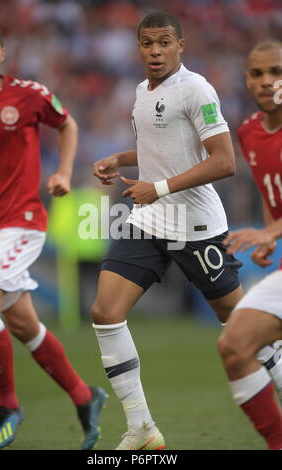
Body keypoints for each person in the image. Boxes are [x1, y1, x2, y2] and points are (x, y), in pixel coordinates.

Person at [92, 11, 282, 450]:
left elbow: (224, 162)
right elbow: (158, 150)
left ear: (181, 45)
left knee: (239, 329)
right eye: (146, 43)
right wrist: (119, 161)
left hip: (195, 225)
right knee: (105, 312)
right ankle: (141, 428)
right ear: (138, 48)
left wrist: (156, 188)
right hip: (148, 220)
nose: (154, 51)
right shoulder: (141, 91)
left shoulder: (196, 89)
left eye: (163, 42)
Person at [0, 22, 107, 450]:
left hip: (20, 221)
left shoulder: (28, 94)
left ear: (3, 53)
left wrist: (63, 172)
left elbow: (68, 125)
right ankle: (84, 396)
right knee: (24, 326)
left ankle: (8, 404)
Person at [218, 40, 282, 450]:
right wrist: (269, 234)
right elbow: (268, 191)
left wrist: (271, 233)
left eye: (275, 72)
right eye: (257, 73)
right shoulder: (248, 132)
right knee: (235, 346)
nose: (266, 81)